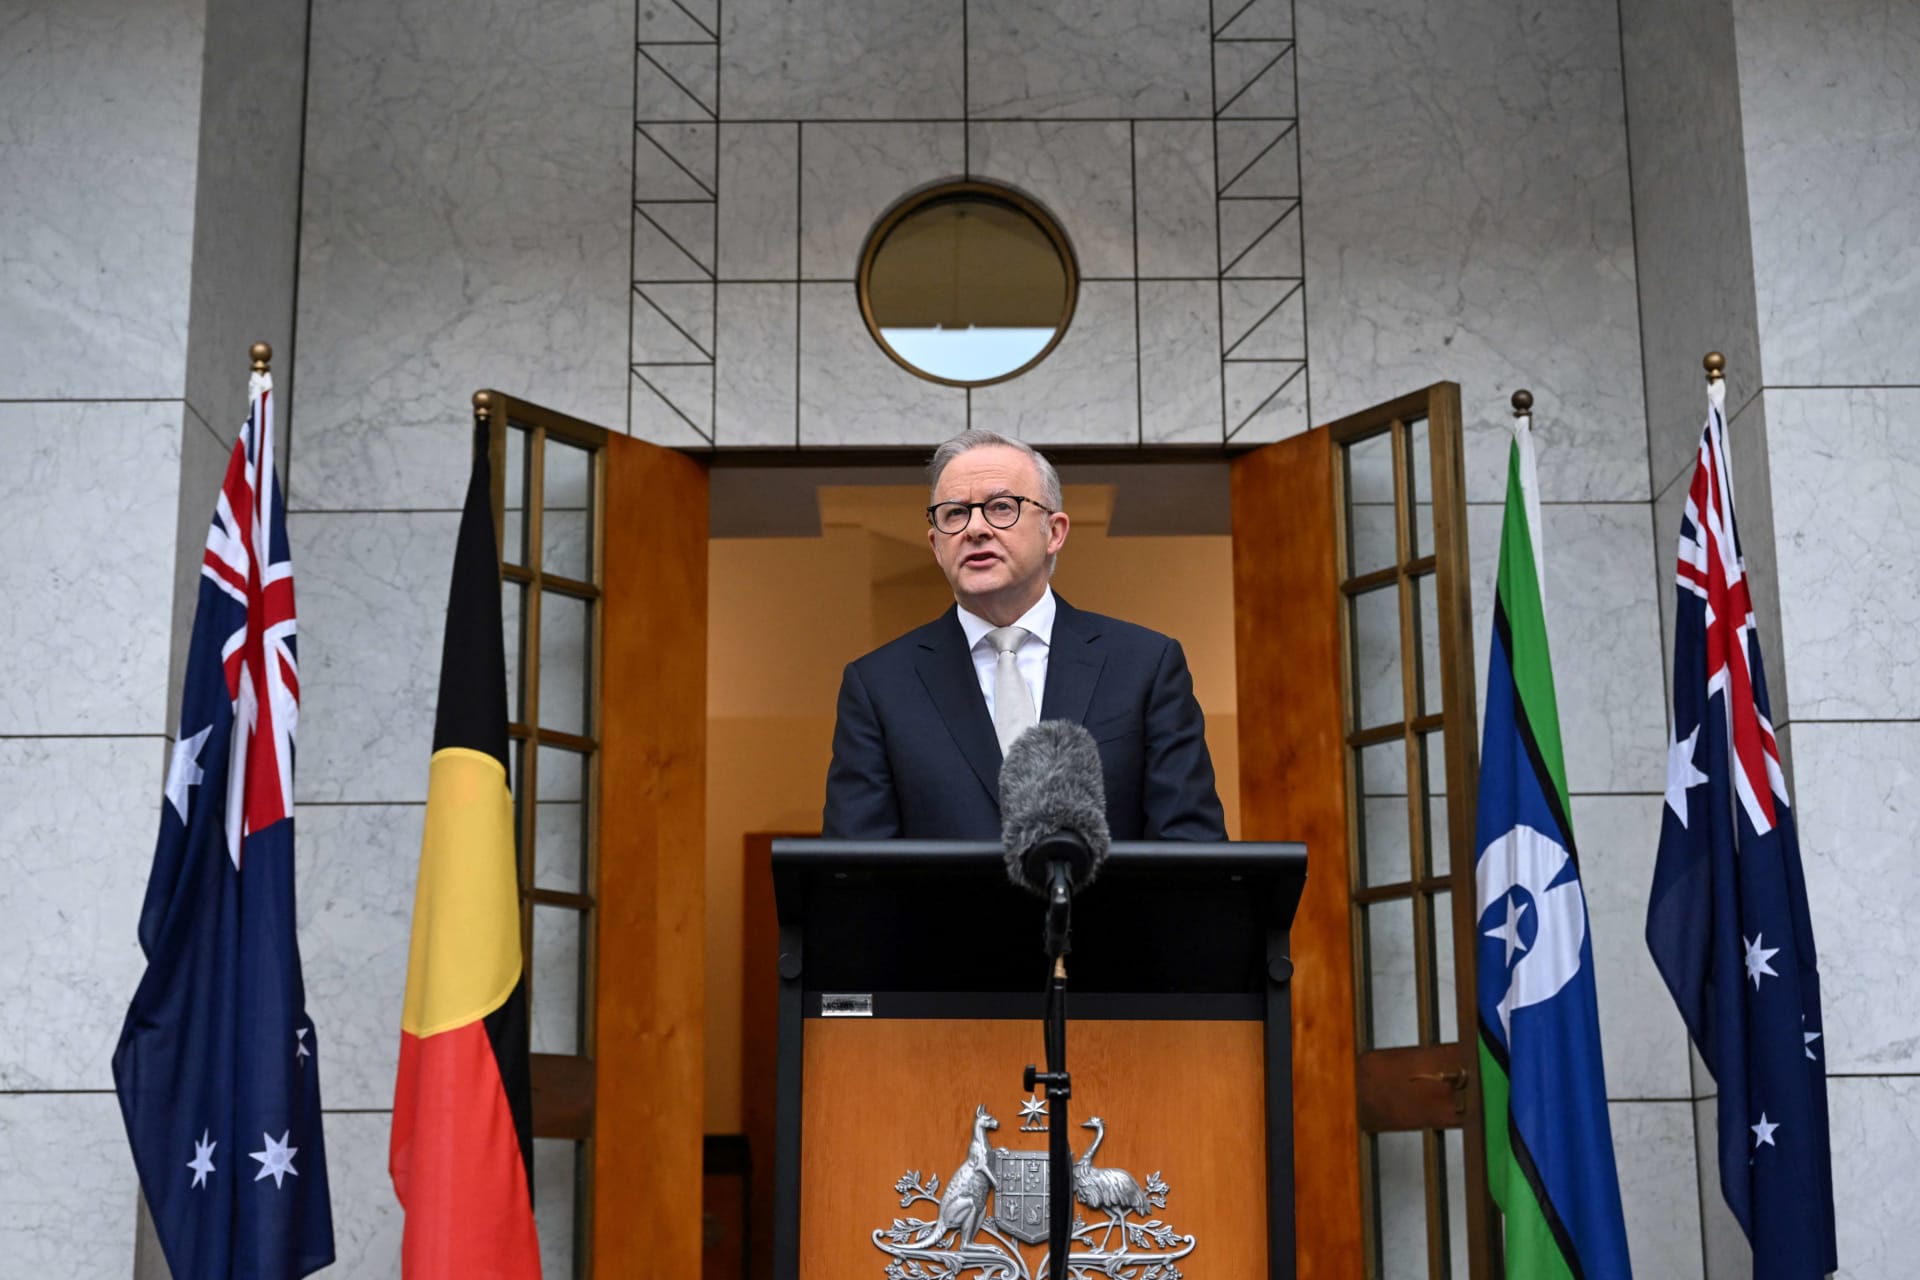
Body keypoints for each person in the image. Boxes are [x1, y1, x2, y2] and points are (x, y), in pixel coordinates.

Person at [821, 429, 1226, 841]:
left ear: (1054, 532)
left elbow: (1192, 851)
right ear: (936, 545)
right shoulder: (880, 685)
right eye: (954, 514)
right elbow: (856, 869)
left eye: (1001, 507)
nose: (975, 528)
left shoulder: (1145, 665)